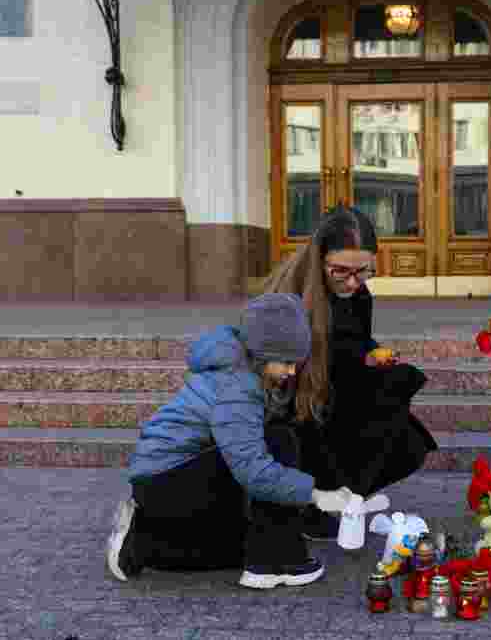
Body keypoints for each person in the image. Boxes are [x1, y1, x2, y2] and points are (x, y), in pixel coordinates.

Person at [105, 293, 354, 589]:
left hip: (161, 481)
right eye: (286, 361)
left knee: (238, 548)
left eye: (296, 363)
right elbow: (253, 470)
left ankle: (141, 541)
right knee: (279, 441)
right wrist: (316, 495)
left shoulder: (239, 367)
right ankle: (276, 561)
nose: (291, 371)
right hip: (165, 480)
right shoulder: (238, 388)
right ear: (261, 354)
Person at [262, 205, 438, 540]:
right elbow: (272, 369)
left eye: (364, 272)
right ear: (320, 259)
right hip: (293, 403)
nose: (354, 282)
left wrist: (371, 355)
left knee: (405, 431)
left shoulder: (358, 293)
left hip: (336, 388)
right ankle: (313, 504)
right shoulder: (288, 297)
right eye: (340, 271)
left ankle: (339, 500)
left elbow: (354, 342)